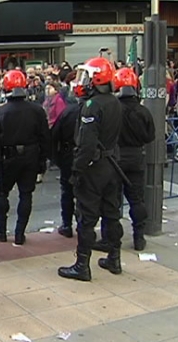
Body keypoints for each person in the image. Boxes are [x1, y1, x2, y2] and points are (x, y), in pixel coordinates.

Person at [58, 57, 124, 281]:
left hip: (94, 167)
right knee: (112, 213)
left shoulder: (91, 106)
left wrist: (77, 170)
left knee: (86, 217)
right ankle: (114, 258)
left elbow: (86, 144)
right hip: (112, 164)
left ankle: (82, 265)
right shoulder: (114, 101)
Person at [92, 68, 155, 252]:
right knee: (136, 199)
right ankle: (139, 236)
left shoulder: (113, 110)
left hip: (115, 158)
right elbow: (150, 136)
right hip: (136, 157)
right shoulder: (143, 111)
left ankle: (109, 238)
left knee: (111, 202)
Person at [0, 70, 50, 245]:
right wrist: (42, 162)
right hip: (30, 156)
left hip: (8, 157)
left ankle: (1, 230)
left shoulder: (1, 112)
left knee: (1, 194)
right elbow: (45, 137)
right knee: (26, 195)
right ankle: (20, 233)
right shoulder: (37, 110)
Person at [52, 100, 82, 238]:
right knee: (87, 193)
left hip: (68, 154)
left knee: (67, 191)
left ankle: (67, 224)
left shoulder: (68, 111)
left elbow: (54, 135)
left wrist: (57, 159)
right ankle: (83, 225)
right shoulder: (101, 109)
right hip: (91, 156)